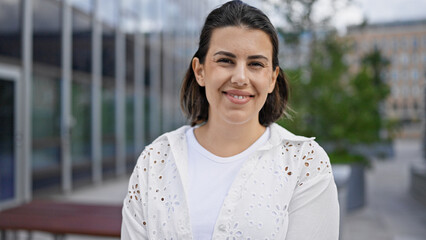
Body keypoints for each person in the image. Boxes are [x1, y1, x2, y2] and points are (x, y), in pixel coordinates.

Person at [121, 1, 339, 239]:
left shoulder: (304, 164)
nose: (240, 77)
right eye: (225, 60)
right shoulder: (155, 160)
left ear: (272, 78)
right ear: (200, 71)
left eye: (256, 64)